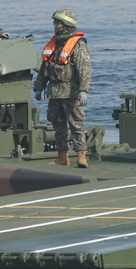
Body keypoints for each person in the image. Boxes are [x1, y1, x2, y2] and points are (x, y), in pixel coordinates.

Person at [34, 9, 91, 168]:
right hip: (54, 93)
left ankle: (81, 156)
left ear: (67, 24)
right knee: (58, 126)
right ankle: (62, 157)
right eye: (55, 22)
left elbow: (84, 69)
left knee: (76, 125)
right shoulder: (54, 44)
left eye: (58, 23)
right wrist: (38, 87)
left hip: (71, 94)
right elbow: (44, 69)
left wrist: (83, 90)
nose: (55, 25)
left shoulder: (78, 45)